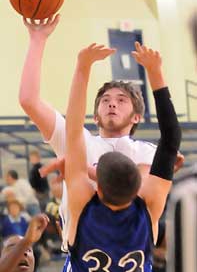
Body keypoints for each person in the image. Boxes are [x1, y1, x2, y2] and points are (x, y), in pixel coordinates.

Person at [19, 16, 183, 250]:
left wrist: (83, 168)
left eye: (121, 100)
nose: (112, 104)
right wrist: (37, 39)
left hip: (133, 256)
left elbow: (132, 189)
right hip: (82, 260)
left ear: (137, 116)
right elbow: (28, 100)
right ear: (94, 116)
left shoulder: (146, 151)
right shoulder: (78, 139)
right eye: (105, 100)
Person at [60, 41, 181, 272]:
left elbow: (73, 131)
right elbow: (172, 138)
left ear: (97, 187)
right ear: (139, 184)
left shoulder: (81, 206)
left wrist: (82, 67)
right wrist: (156, 72)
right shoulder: (149, 207)